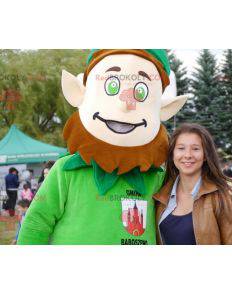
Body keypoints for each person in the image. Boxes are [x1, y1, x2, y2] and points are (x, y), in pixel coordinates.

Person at [17, 49, 188, 245]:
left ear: (163, 109)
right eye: (112, 85)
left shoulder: (156, 177)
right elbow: (37, 222)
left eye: (140, 92)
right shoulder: (65, 171)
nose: (125, 105)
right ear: (78, 93)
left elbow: (177, 222)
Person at [153, 123, 232, 245]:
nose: (188, 155)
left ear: (205, 155)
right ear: (172, 154)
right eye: (181, 148)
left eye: (195, 149)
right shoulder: (160, 196)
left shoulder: (221, 197)